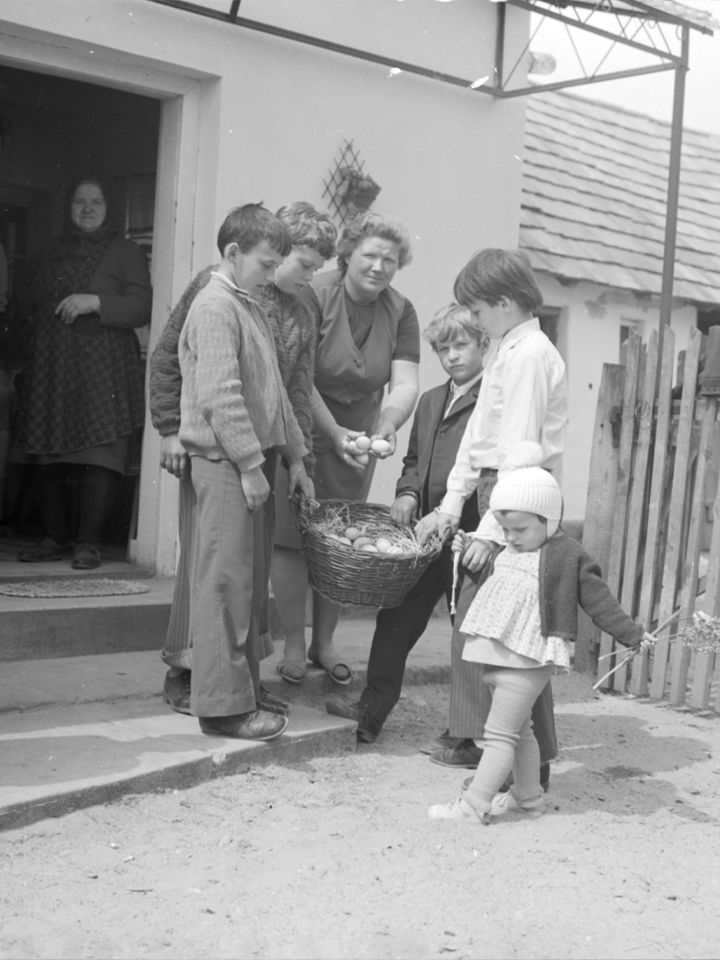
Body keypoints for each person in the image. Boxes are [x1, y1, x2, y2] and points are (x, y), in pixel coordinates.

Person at [149, 202, 337, 716]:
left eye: (316, 267)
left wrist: (299, 459)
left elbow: (287, 390)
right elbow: (181, 363)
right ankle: (195, 680)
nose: (301, 275)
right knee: (212, 573)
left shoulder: (284, 307)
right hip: (219, 450)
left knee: (243, 579)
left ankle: (239, 683)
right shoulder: (216, 295)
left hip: (258, 450)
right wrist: (169, 427)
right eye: (299, 262)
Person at [428, 444, 655, 823]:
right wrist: (466, 552)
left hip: (526, 660)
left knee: (498, 735)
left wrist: (631, 633)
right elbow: (498, 588)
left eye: (520, 528)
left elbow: (599, 600)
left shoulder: (566, 555)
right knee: (521, 732)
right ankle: (527, 798)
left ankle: (473, 806)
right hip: (500, 658)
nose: (511, 536)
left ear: (548, 520)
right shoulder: (514, 548)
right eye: (505, 528)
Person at [414, 248, 567, 771]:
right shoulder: (506, 347)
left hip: (516, 501)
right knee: (483, 627)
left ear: (504, 302)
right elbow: (479, 439)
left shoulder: (529, 355)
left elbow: (519, 451)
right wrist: (453, 504)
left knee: (507, 631)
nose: (474, 323)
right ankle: (491, 742)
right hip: (492, 494)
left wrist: (490, 532)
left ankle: (521, 754)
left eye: (476, 312)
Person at [177, 202, 311, 739]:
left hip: (248, 464)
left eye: (278, 263)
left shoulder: (247, 302)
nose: (272, 273)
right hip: (225, 465)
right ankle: (222, 709)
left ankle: (241, 693)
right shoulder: (214, 307)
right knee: (224, 586)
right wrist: (253, 465)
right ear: (232, 253)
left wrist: (297, 458)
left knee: (246, 589)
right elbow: (221, 397)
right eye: (265, 261)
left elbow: (273, 392)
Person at [278, 211, 420, 686]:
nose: (379, 267)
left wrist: (386, 425)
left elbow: (405, 383)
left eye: (390, 260)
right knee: (292, 539)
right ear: (347, 254)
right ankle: (294, 644)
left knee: (338, 539)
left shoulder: (401, 311)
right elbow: (298, 374)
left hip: (357, 440)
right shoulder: (314, 293)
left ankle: (325, 640)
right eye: (370, 255)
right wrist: (333, 431)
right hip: (302, 424)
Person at [9, 177, 151, 569]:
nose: (87, 208)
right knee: (47, 451)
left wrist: (96, 301)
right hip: (52, 363)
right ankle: (54, 537)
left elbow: (141, 307)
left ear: (109, 207)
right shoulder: (51, 250)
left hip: (101, 367)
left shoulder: (125, 251)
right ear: (68, 207)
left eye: (97, 202)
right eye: (79, 202)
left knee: (99, 452)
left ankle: (87, 542)